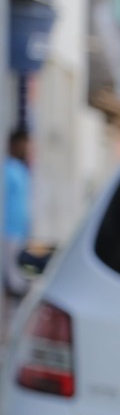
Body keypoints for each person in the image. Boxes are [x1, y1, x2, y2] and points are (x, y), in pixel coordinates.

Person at [4, 126, 34, 300]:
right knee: (14, 283)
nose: (26, 148)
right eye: (24, 143)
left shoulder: (22, 170)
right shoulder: (7, 169)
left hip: (21, 233)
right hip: (8, 233)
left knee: (23, 279)